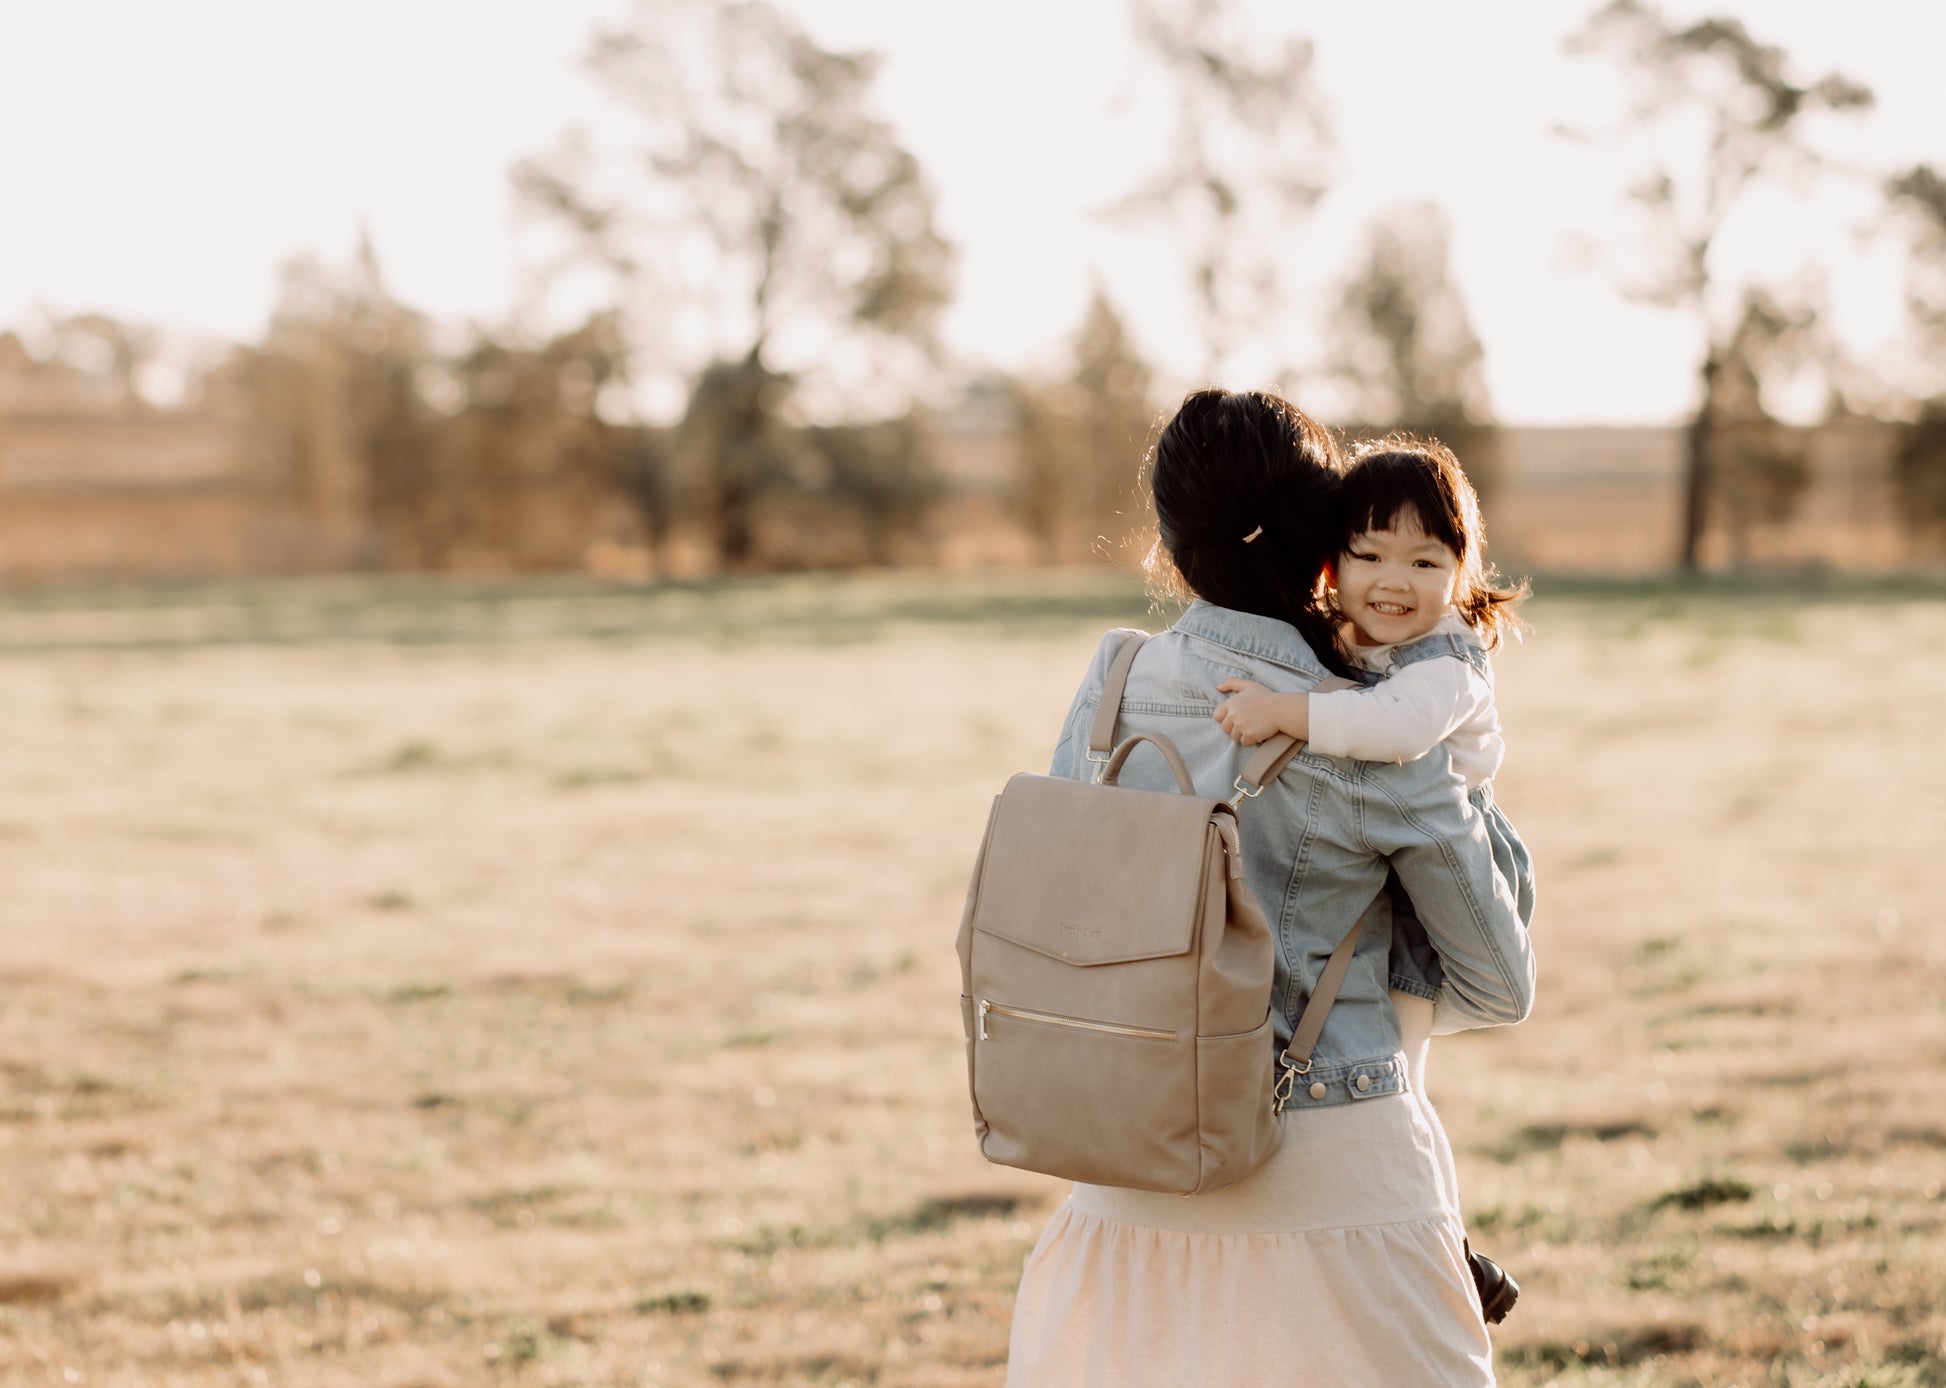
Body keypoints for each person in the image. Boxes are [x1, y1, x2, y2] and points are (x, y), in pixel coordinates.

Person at [1003, 390, 1536, 1387]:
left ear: (1168, 541)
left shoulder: (1111, 681)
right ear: (1321, 531)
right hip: (1333, 1161)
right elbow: (1494, 985)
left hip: (1125, 1161)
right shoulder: (1371, 720)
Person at [1209, 435, 1533, 1082]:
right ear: (1332, 563)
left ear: (1461, 571)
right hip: (1378, 848)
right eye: (1369, 554)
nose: (1394, 581)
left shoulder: (1447, 663)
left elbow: (1395, 730)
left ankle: (1392, 1113)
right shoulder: (1338, 636)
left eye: (1424, 562)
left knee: (1400, 1035)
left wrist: (1282, 712)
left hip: (1443, 854)